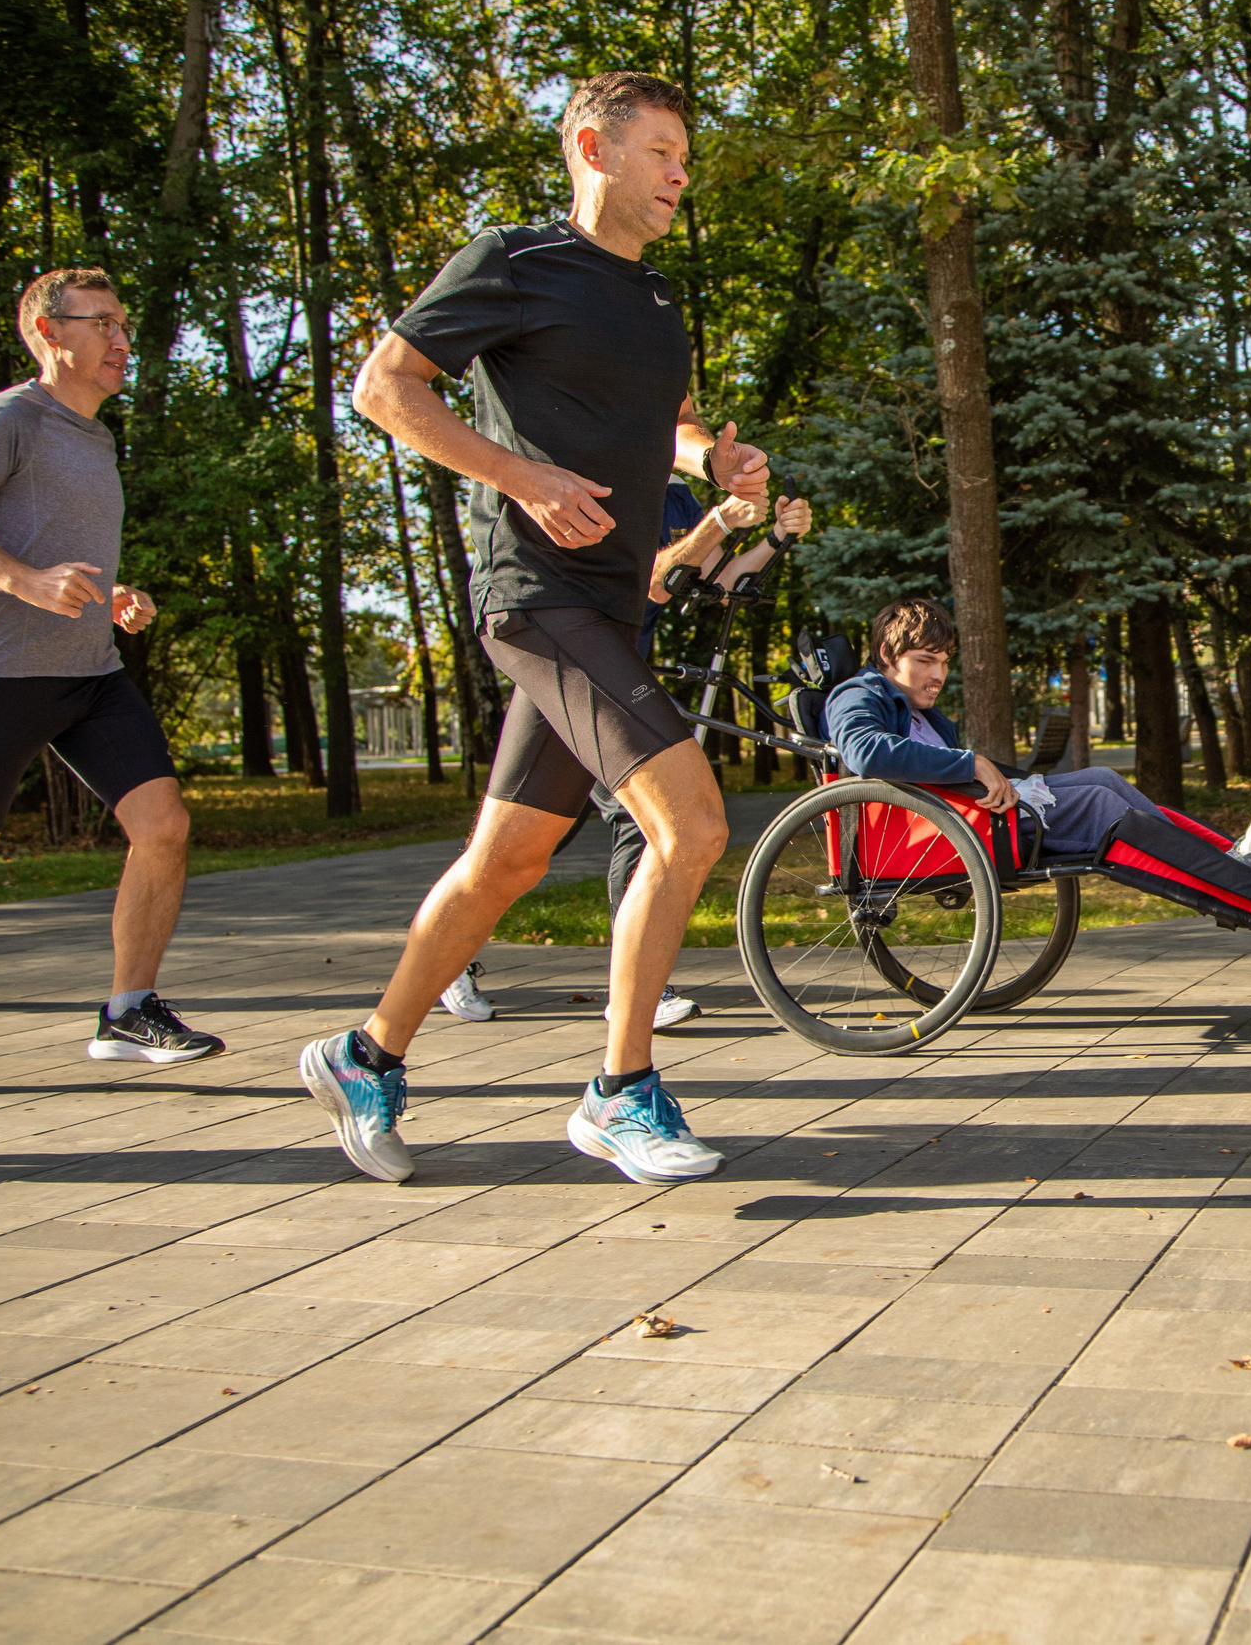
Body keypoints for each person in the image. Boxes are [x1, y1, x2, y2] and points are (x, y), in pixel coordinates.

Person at [308, 70, 769, 1186]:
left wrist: (713, 458)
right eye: (660, 151)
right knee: (692, 824)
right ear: (593, 149)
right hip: (538, 594)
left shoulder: (652, 298)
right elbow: (385, 387)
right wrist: (521, 477)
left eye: (685, 157)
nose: (680, 174)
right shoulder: (514, 262)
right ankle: (620, 1091)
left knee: (508, 858)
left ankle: (365, 1055)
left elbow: (666, 422)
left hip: (613, 604)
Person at [0, 269, 222, 1091]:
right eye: (102, 324)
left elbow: (58, 546)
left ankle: (129, 1009)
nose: (122, 340)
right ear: (47, 333)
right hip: (5, 671)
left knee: (163, 824)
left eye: (123, 324)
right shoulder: (7, 419)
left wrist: (110, 592)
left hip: (90, 673)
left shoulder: (96, 436)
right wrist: (27, 582)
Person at [438, 483, 810, 1028]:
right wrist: (721, 522)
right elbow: (653, 582)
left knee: (540, 836)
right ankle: (628, 989)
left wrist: (775, 536)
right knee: (591, 827)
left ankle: (454, 956)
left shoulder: (678, 501)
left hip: (615, 680)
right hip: (571, 671)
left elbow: (718, 582)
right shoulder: (611, 482)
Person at [825, 599, 1166, 857]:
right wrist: (971, 763)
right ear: (887, 653)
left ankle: (1197, 851)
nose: (938, 676)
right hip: (956, 826)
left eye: (944, 663)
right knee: (1097, 802)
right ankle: (1198, 871)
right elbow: (866, 751)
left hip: (978, 809)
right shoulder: (857, 693)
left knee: (1103, 778)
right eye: (925, 661)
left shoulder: (917, 708)